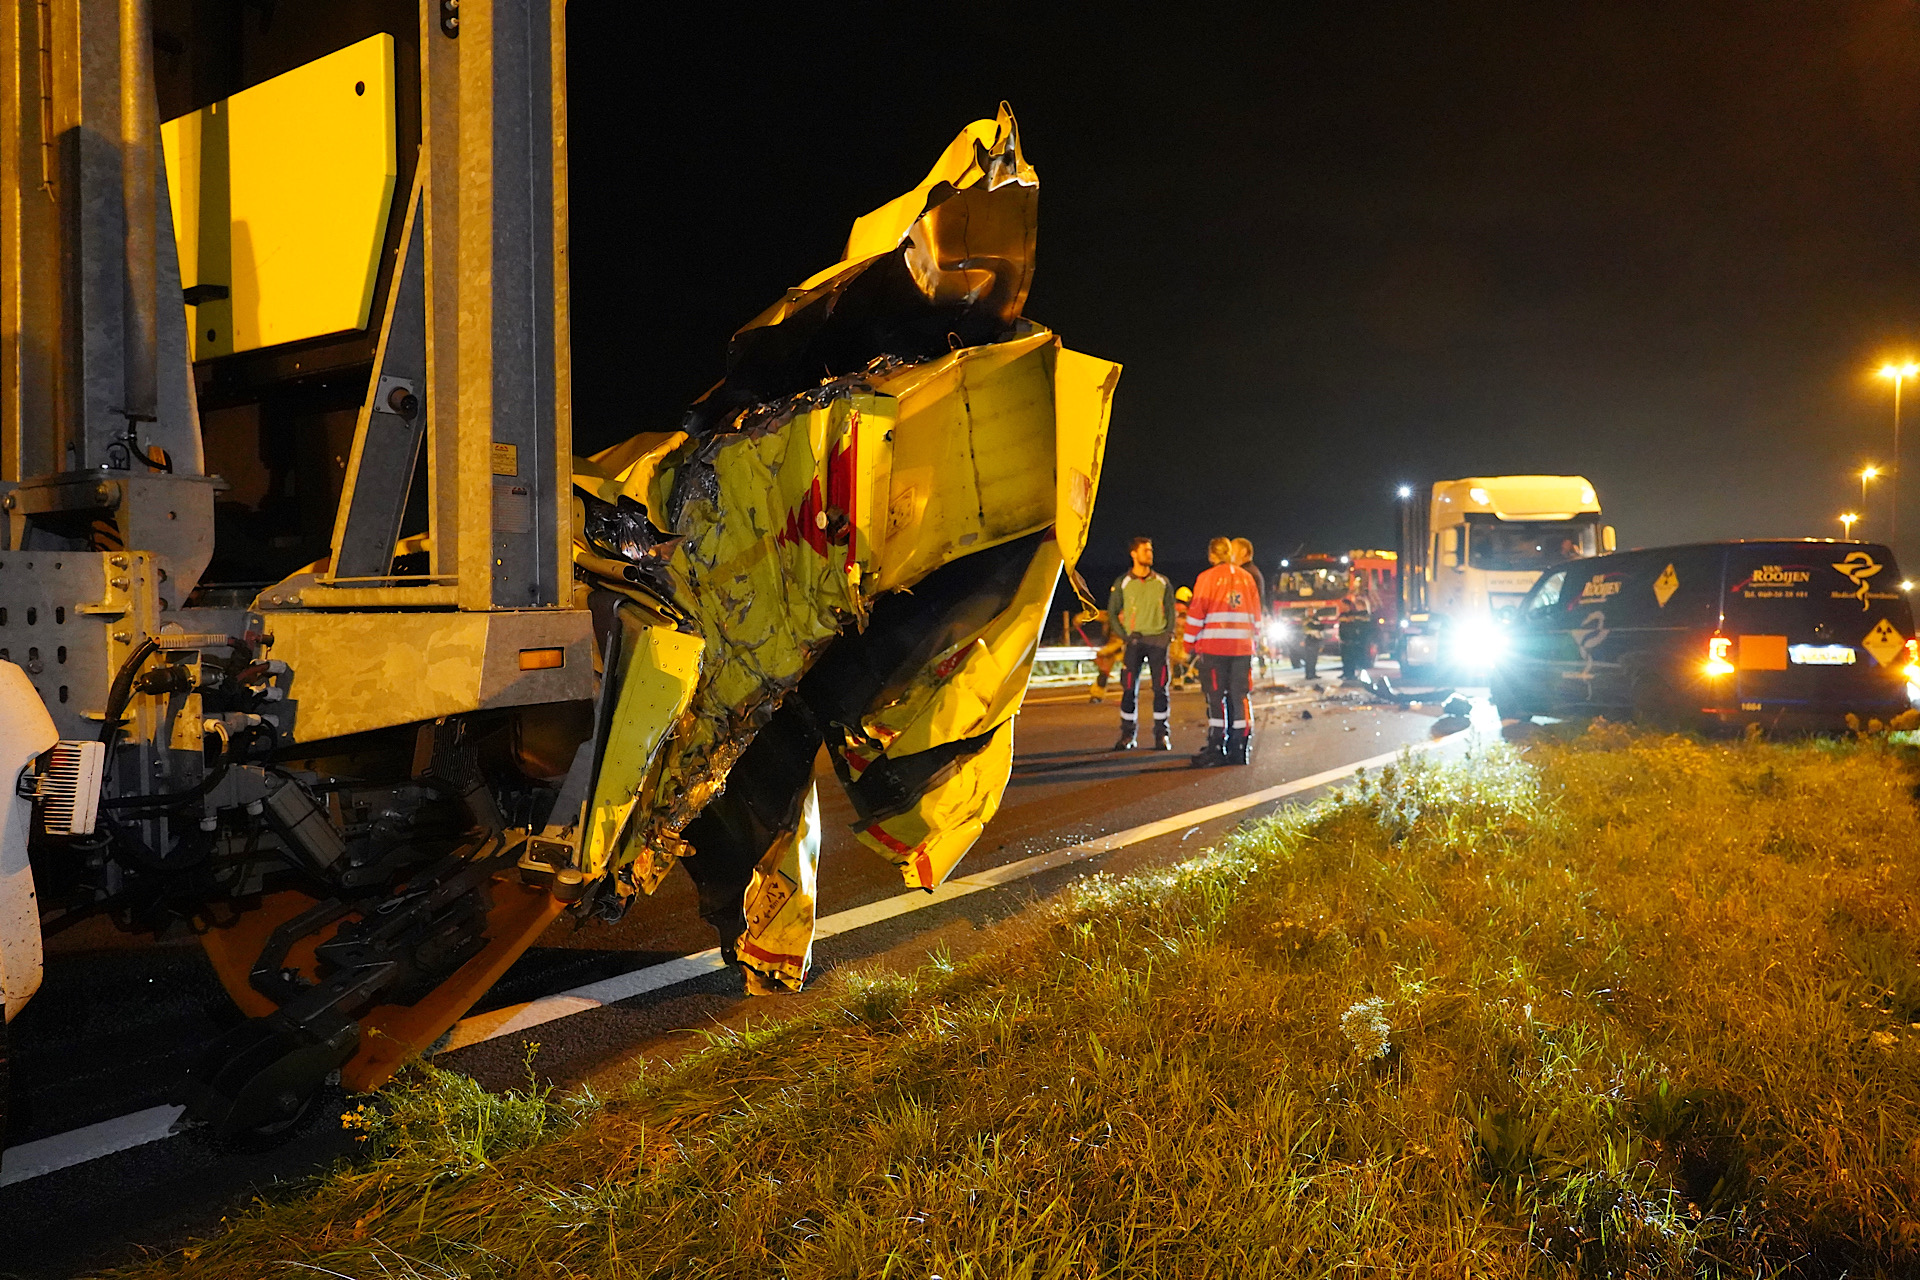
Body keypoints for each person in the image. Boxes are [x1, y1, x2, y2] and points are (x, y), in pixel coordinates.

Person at [1183, 536, 1262, 766]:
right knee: (1240, 697)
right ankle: (1240, 748)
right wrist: (1255, 642)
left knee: (1216, 698)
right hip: (1242, 648)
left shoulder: (1206, 578)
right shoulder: (1247, 579)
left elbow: (1197, 614)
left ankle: (1216, 746)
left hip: (1215, 649)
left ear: (1211, 555)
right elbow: (1257, 616)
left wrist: (1188, 644)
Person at [1107, 536, 1177, 750]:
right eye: (1145, 550)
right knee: (1129, 689)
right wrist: (1125, 636)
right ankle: (1128, 735)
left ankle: (1161, 735)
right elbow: (1112, 612)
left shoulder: (1163, 582)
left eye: (1151, 550)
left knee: (1160, 689)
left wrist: (1166, 635)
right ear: (1134, 554)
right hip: (1134, 642)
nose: (1150, 553)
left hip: (1157, 642)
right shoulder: (1123, 583)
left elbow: (1172, 612)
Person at [1337, 592, 1375, 681]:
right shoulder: (1356, 615)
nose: (1357, 607)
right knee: (1349, 658)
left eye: (1358, 605)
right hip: (1353, 639)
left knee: (1359, 658)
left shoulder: (1364, 615)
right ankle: (1349, 673)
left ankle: (1358, 674)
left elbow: (1363, 626)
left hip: (1360, 640)